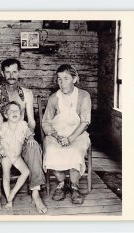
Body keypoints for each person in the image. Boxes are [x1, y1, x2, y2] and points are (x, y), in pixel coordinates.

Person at [0, 58, 47, 215]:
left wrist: (28, 138)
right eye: (8, 72)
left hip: (21, 134)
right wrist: (2, 143)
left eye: (14, 72)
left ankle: (35, 194)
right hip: (2, 135)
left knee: (34, 147)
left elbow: (30, 121)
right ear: (3, 73)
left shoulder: (26, 94)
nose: (11, 75)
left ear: (19, 73)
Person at [42, 64, 91, 204]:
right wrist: (57, 136)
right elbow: (46, 122)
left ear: (74, 79)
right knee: (52, 150)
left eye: (66, 78)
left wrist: (70, 138)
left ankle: (74, 186)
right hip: (57, 134)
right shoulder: (53, 98)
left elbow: (85, 121)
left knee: (75, 151)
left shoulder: (84, 96)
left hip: (78, 134)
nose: (62, 83)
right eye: (59, 79)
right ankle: (62, 184)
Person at [0, 101, 36, 209]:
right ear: (6, 115)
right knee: (6, 176)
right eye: (11, 111)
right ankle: (9, 200)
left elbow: (30, 133)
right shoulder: (2, 127)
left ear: (21, 114)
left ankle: (12, 193)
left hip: (17, 157)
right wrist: (0, 148)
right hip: (6, 156)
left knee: (26, 172)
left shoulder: (23, 125)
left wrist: (30, 138)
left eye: (17, 111)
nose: (14, 112)